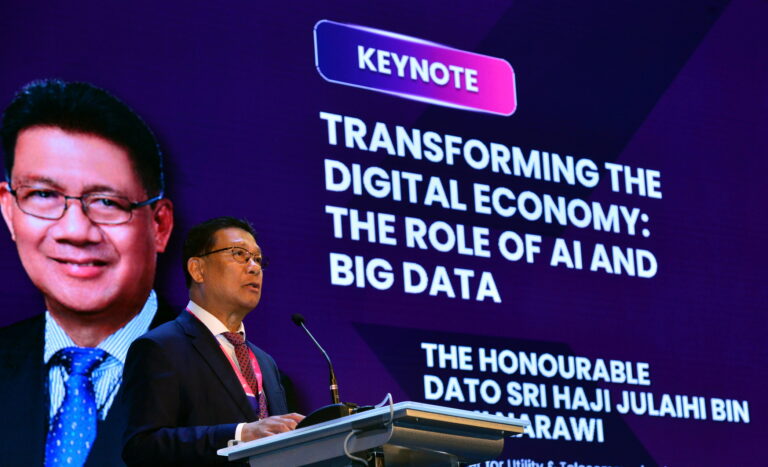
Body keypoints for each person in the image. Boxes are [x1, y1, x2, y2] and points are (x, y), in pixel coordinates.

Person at [0, 79, 175, 466]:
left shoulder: (234, 383)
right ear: (9, 210)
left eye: (107, 202)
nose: (76, 231)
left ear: (159, 225)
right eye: (43, 195)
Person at [120, 217, 304, 466]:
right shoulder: (160, 348)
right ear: (198, 269)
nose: (254, 267)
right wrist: (240, 434)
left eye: (258, 259)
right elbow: (142, 447)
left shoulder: (265, 363)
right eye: (239, 254)